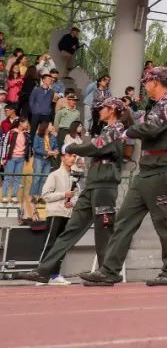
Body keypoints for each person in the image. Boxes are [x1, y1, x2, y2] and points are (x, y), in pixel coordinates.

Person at [80, 66, 167, 287]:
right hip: (147, 169)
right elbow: (143, 122)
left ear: (155, 82)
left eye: (147, 82)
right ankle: (109, 270)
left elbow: (150, 128)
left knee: (166, 223)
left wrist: (126, 131)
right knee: (124, 221)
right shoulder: (158, 105)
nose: (145, 86)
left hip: (164, 170)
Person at [25, 97, 130, 284]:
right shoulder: (108, 130)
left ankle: (106, 273)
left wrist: (70, 147)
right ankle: (44, 269)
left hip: (105, 185)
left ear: (112, 110)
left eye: (103, 107)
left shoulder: (117, 129)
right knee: (71, 229)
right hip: (94, 183)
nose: (99, 110)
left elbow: (94, 147)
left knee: (103, 230)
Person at [37, 151, 79, 283]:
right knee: (49, 244)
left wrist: (72, 202)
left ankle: (55, 275)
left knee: (62, 246)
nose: (72, 158)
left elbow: (77, 195)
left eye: (74, 156)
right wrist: (64, 194)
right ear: (62, 158)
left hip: (67, 214)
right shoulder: (54, 175)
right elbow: (45, 195)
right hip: (55, 213)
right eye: (69, 155)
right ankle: (41, 274)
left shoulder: (74, 177)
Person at [1, 117, 29, 204]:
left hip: (21, 159)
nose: (27, 124)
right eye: (26, 123)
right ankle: (5, 196)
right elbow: (5, 145)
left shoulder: (26, 134)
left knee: (17, 178)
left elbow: (28, 147)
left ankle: (14, 196)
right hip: (11, 158)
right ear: (20, 123)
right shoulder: (11, 132)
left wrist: (27, 156)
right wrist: (3, 158)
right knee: (8, 177)